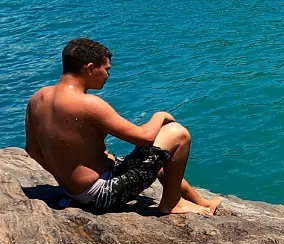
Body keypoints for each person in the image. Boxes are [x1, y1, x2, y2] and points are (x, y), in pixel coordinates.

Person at [24, 38, 221, 215]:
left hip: (73, 190)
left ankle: (202, 203)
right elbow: (143, 137)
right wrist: (159, 116)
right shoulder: (88, 104)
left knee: (162, 161)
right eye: (106, 69)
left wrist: (66, 179)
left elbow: (32, 150)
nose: (108, 75)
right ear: (90, 68)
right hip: (101, 195)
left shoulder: (37, 99)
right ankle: (172, 204)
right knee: (177, 134)